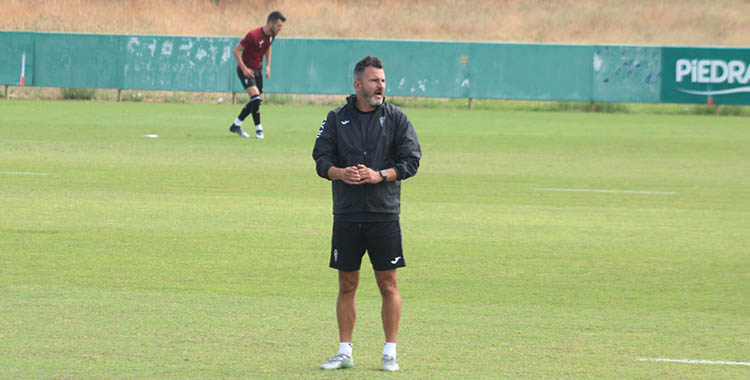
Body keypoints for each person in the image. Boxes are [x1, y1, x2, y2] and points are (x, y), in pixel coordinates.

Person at [312, 56, 422, 372]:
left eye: (383, 80)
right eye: (374, 81)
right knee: (347, 283)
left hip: (383, 213)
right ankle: (345, 351)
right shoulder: (335, 118)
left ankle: (390, 353)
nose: (381, 86)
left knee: (388, 284)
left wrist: (380, 175)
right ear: (357, 84)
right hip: (347, 213)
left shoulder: (397, 118)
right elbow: (320, 159)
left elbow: (411, 161)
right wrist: (339, 173)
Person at [228, 11, 286, 139]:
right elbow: (236, 51)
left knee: (256, 101)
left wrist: (268, 65)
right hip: (246, 71)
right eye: (278, 26)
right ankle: (259, 129)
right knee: (255, 98)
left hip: (258, 70)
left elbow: (268, 47)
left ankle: (236, 125)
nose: (280, 29)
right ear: (270, 23)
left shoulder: (272, 35)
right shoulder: (253, 35)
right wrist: (244, 69)